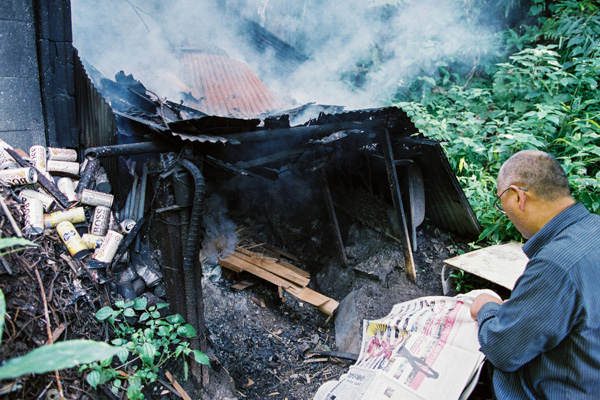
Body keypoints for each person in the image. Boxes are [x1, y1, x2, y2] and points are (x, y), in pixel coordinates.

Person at [469, 150, 600, 399]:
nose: (504, 212)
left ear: (518, 196)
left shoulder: (555, 265)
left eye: (501, 204)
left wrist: (488, 308)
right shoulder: (595, 226)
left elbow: (503, 350)